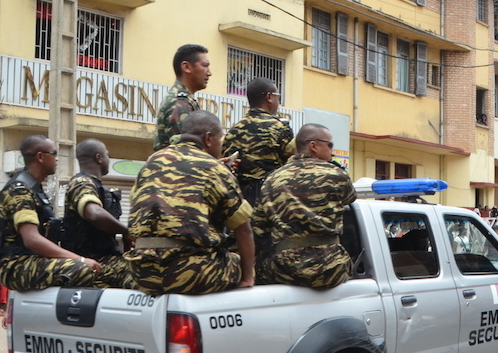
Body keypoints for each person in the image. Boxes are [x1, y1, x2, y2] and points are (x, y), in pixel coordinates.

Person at [127, 111, 255, 294]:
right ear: (208, 138)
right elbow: (244, 229)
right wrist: (248, 278)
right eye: (220, 139)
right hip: (190, 273)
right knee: (238, 261)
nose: (221, 146)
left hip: (143, 273)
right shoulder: (215, 168)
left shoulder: (151, 163)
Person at [252, 123, 357, 288]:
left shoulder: (272, 179)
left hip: (285, 271)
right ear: (313, 146)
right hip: (331, 270)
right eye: (329, 145)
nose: (333, 152)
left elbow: (258, 228)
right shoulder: (337, 175)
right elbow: (349, 199)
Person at [0, 134, 99, 291]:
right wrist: (80, 259)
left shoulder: (34, 188)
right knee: (81, 269)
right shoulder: (20, 190)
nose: (57, 159)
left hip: (32, 261)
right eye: (54, 153)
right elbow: (32, 239)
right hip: (14, 266)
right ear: (40, 157)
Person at [63, 139, 135, 289]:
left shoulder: (96, 186)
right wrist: (126, 231)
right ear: (99, 158)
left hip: (104, 258)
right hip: (94, 261)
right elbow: (94, 214)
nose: (109, 158)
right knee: (145, 276)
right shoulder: (82, 182)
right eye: (107, 155)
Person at [222, 77, 295, 205]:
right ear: (269, 97)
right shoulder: (279, 128)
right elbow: (290, 163)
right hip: (271, 197)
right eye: (277, 96)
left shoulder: (233, 131)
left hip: (241, 200)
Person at [153, 44, 210, 151]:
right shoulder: (180, 103)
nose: (209, 73)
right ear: (186, 67)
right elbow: (185, 152)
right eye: (205, 65)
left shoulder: (184, 100)